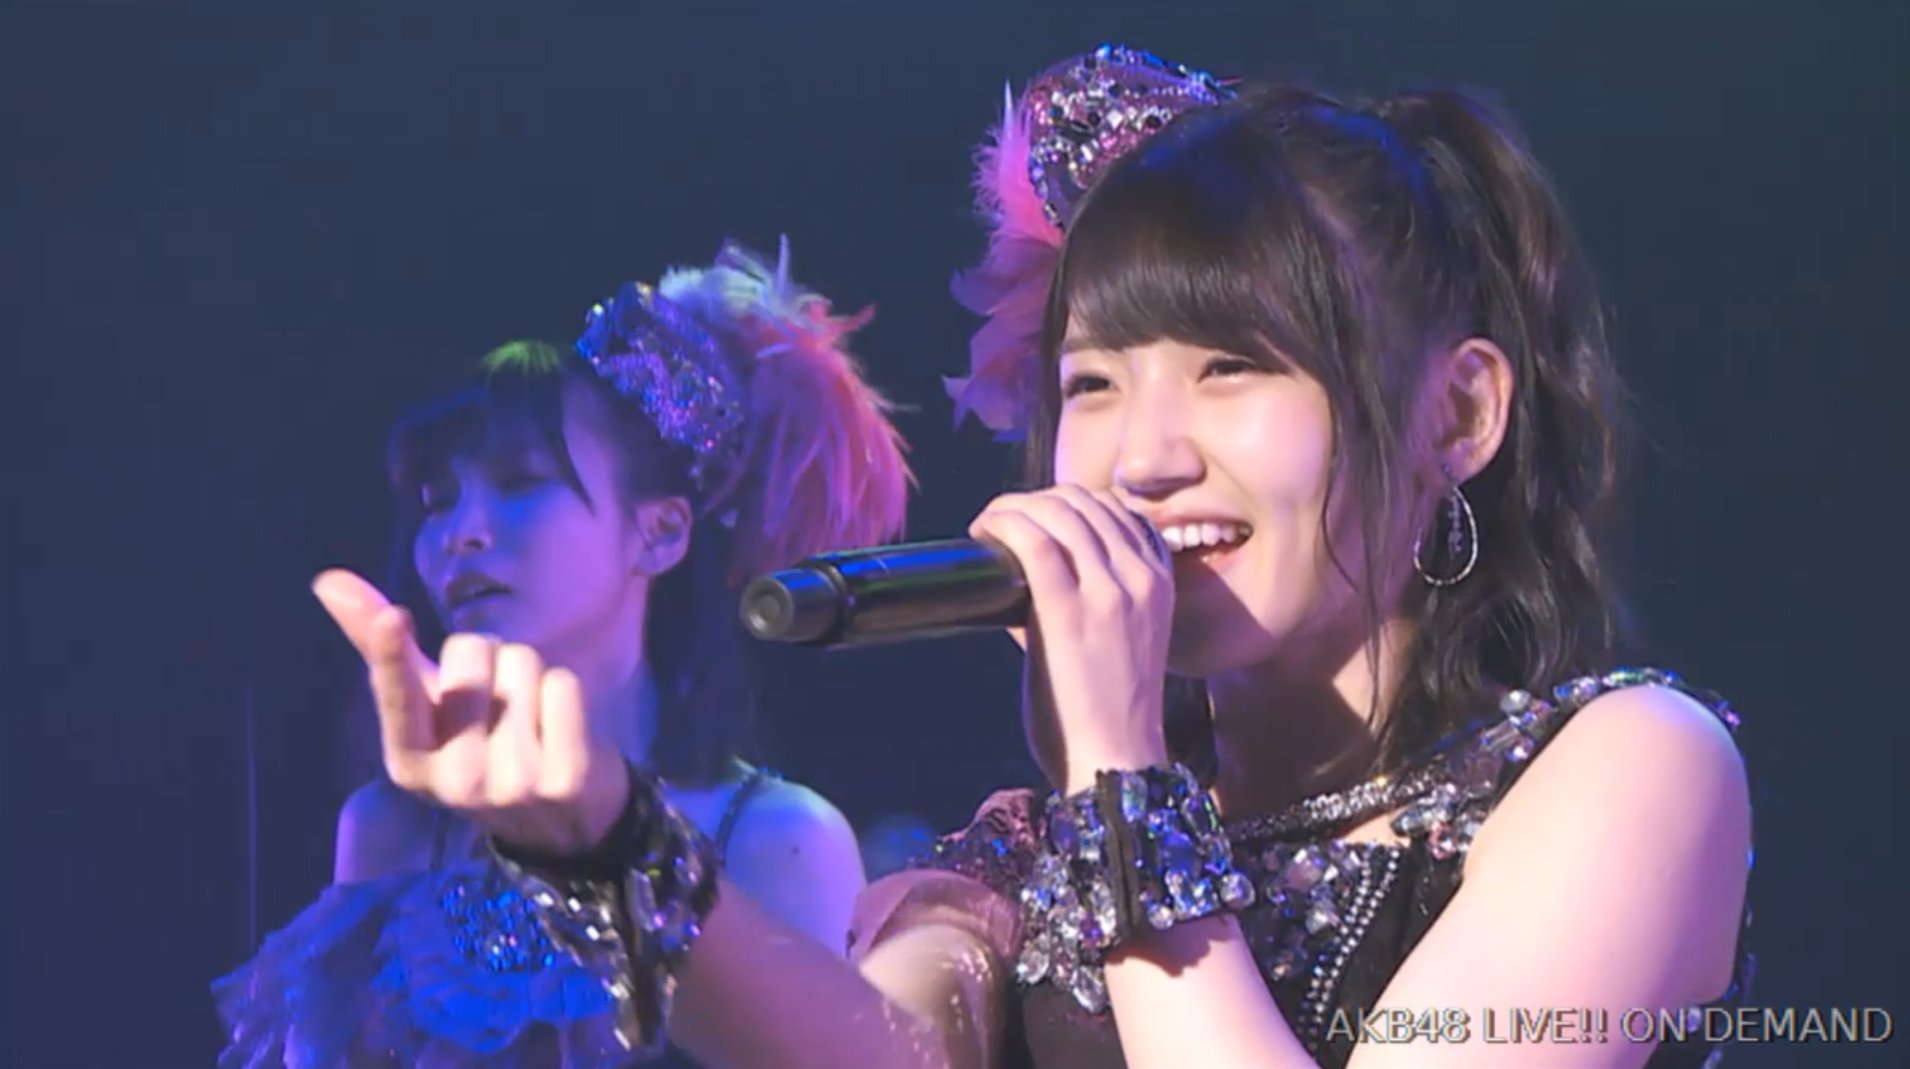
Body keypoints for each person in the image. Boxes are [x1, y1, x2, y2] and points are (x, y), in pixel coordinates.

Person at [301, 45, 1755, 1069]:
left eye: (1232, 367)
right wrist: (598, 834)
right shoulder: (1029, 848)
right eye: (1093, 384)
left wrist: (1121, 783)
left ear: (1458, 412)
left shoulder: (1625, 769)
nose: (1140, 456)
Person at [213, 237, 912, 1066]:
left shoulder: (775, 837)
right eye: (438, 499)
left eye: (519, 482)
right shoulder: (391, 828)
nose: (461, 531)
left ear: (659, 532)